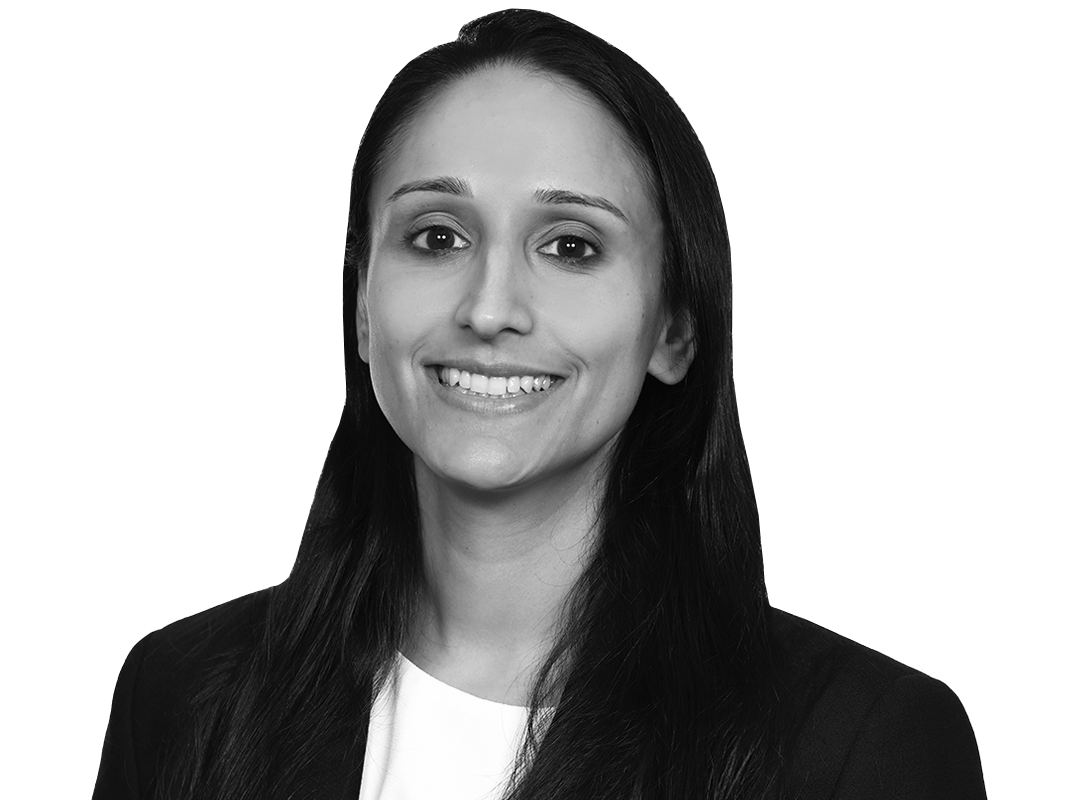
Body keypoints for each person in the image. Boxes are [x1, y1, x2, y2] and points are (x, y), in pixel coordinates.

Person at [92, 9, 987, 800]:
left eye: (571, 246)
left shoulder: (863, 747)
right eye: (436, 237)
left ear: (675, 328)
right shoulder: (180, 697)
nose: (489, 309)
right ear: (362, 306)